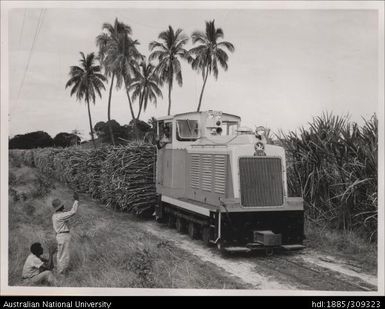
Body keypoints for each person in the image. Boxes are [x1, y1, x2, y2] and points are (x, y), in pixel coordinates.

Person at [51, 192, 79, 274]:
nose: (64, 206)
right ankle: (62, 272)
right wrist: (76, 201)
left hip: (59, 236)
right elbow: (73, 212)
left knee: (60, 255)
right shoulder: (60, 216)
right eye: (62, 205)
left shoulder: (55, 216)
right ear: (60, 207)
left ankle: (60, 271)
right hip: (63, 235)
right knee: (64, 255)